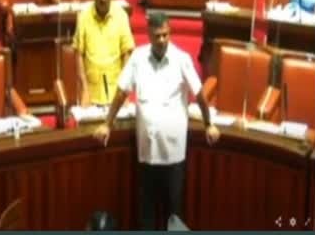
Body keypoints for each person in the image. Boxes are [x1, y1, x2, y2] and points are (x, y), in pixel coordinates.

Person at [93, 13, 220, 230]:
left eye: (165, 35)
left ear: (169, 33)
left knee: (175, 218)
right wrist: (107, 123)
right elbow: (121, 92)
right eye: (157, 36)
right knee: (147, 217)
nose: (161, 40)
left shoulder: (182, 59)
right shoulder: (137, 58)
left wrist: (209, 124)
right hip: (147, 155)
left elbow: (199, 95)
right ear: (149, 36)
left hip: (174, 157)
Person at [73, 0, 134, 106]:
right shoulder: (83, 17)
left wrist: (123, 91)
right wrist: (84, 88)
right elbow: (78, 54)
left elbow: (127, 54)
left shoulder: (121, 16)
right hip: (91, 92)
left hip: (115, 91)